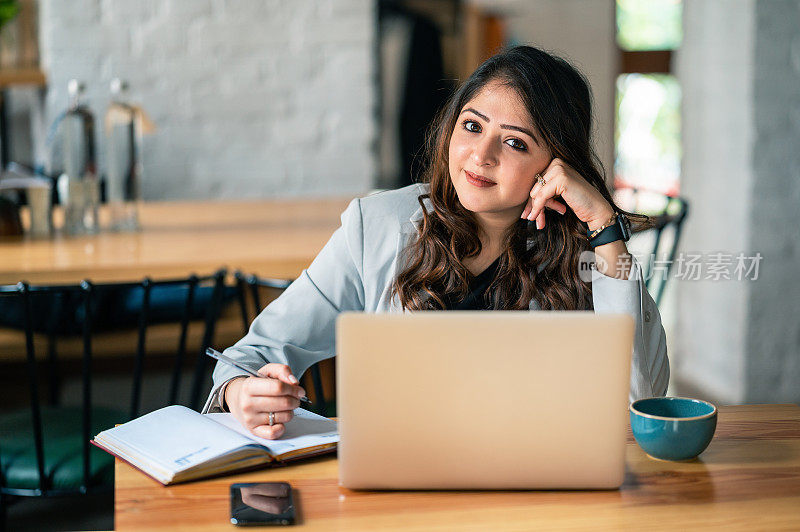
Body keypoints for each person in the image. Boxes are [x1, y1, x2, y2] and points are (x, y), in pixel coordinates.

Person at [202, 45, 669, 440]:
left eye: (515, 143)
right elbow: (251, 356)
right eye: (472, 126)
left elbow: (641, 406)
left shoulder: (585, 255)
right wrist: (243, 392)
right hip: (401, 487)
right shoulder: (376, 226)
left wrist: (606, 230)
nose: (480, 155)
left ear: (556, 166)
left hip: (532, 494)